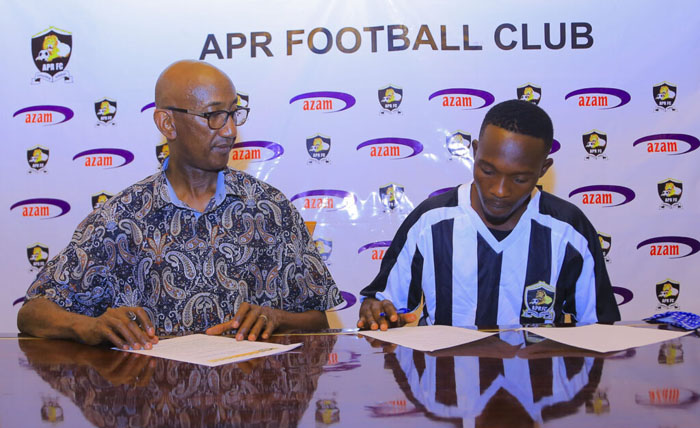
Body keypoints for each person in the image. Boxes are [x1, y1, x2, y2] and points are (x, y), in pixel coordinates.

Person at [18, 60, 341, 349]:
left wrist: (277, 318)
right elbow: (33, 313)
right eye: (214, 115)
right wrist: (88, 326)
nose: (230, 130)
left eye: (233, 113)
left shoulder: (271, 209)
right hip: (153, 396)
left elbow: (318, 320)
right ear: (167, 124)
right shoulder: (121, 218)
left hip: (253, 396)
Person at [358, 99, 620, 331]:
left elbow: (598, 330)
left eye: (519, 178)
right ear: (475, 152)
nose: (499, 191)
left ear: (543, 169)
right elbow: (382, 304)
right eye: (488, 171)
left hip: (539, 373)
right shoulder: (430, 221)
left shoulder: (569, 229)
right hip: (446, 373)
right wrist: (378, 313)